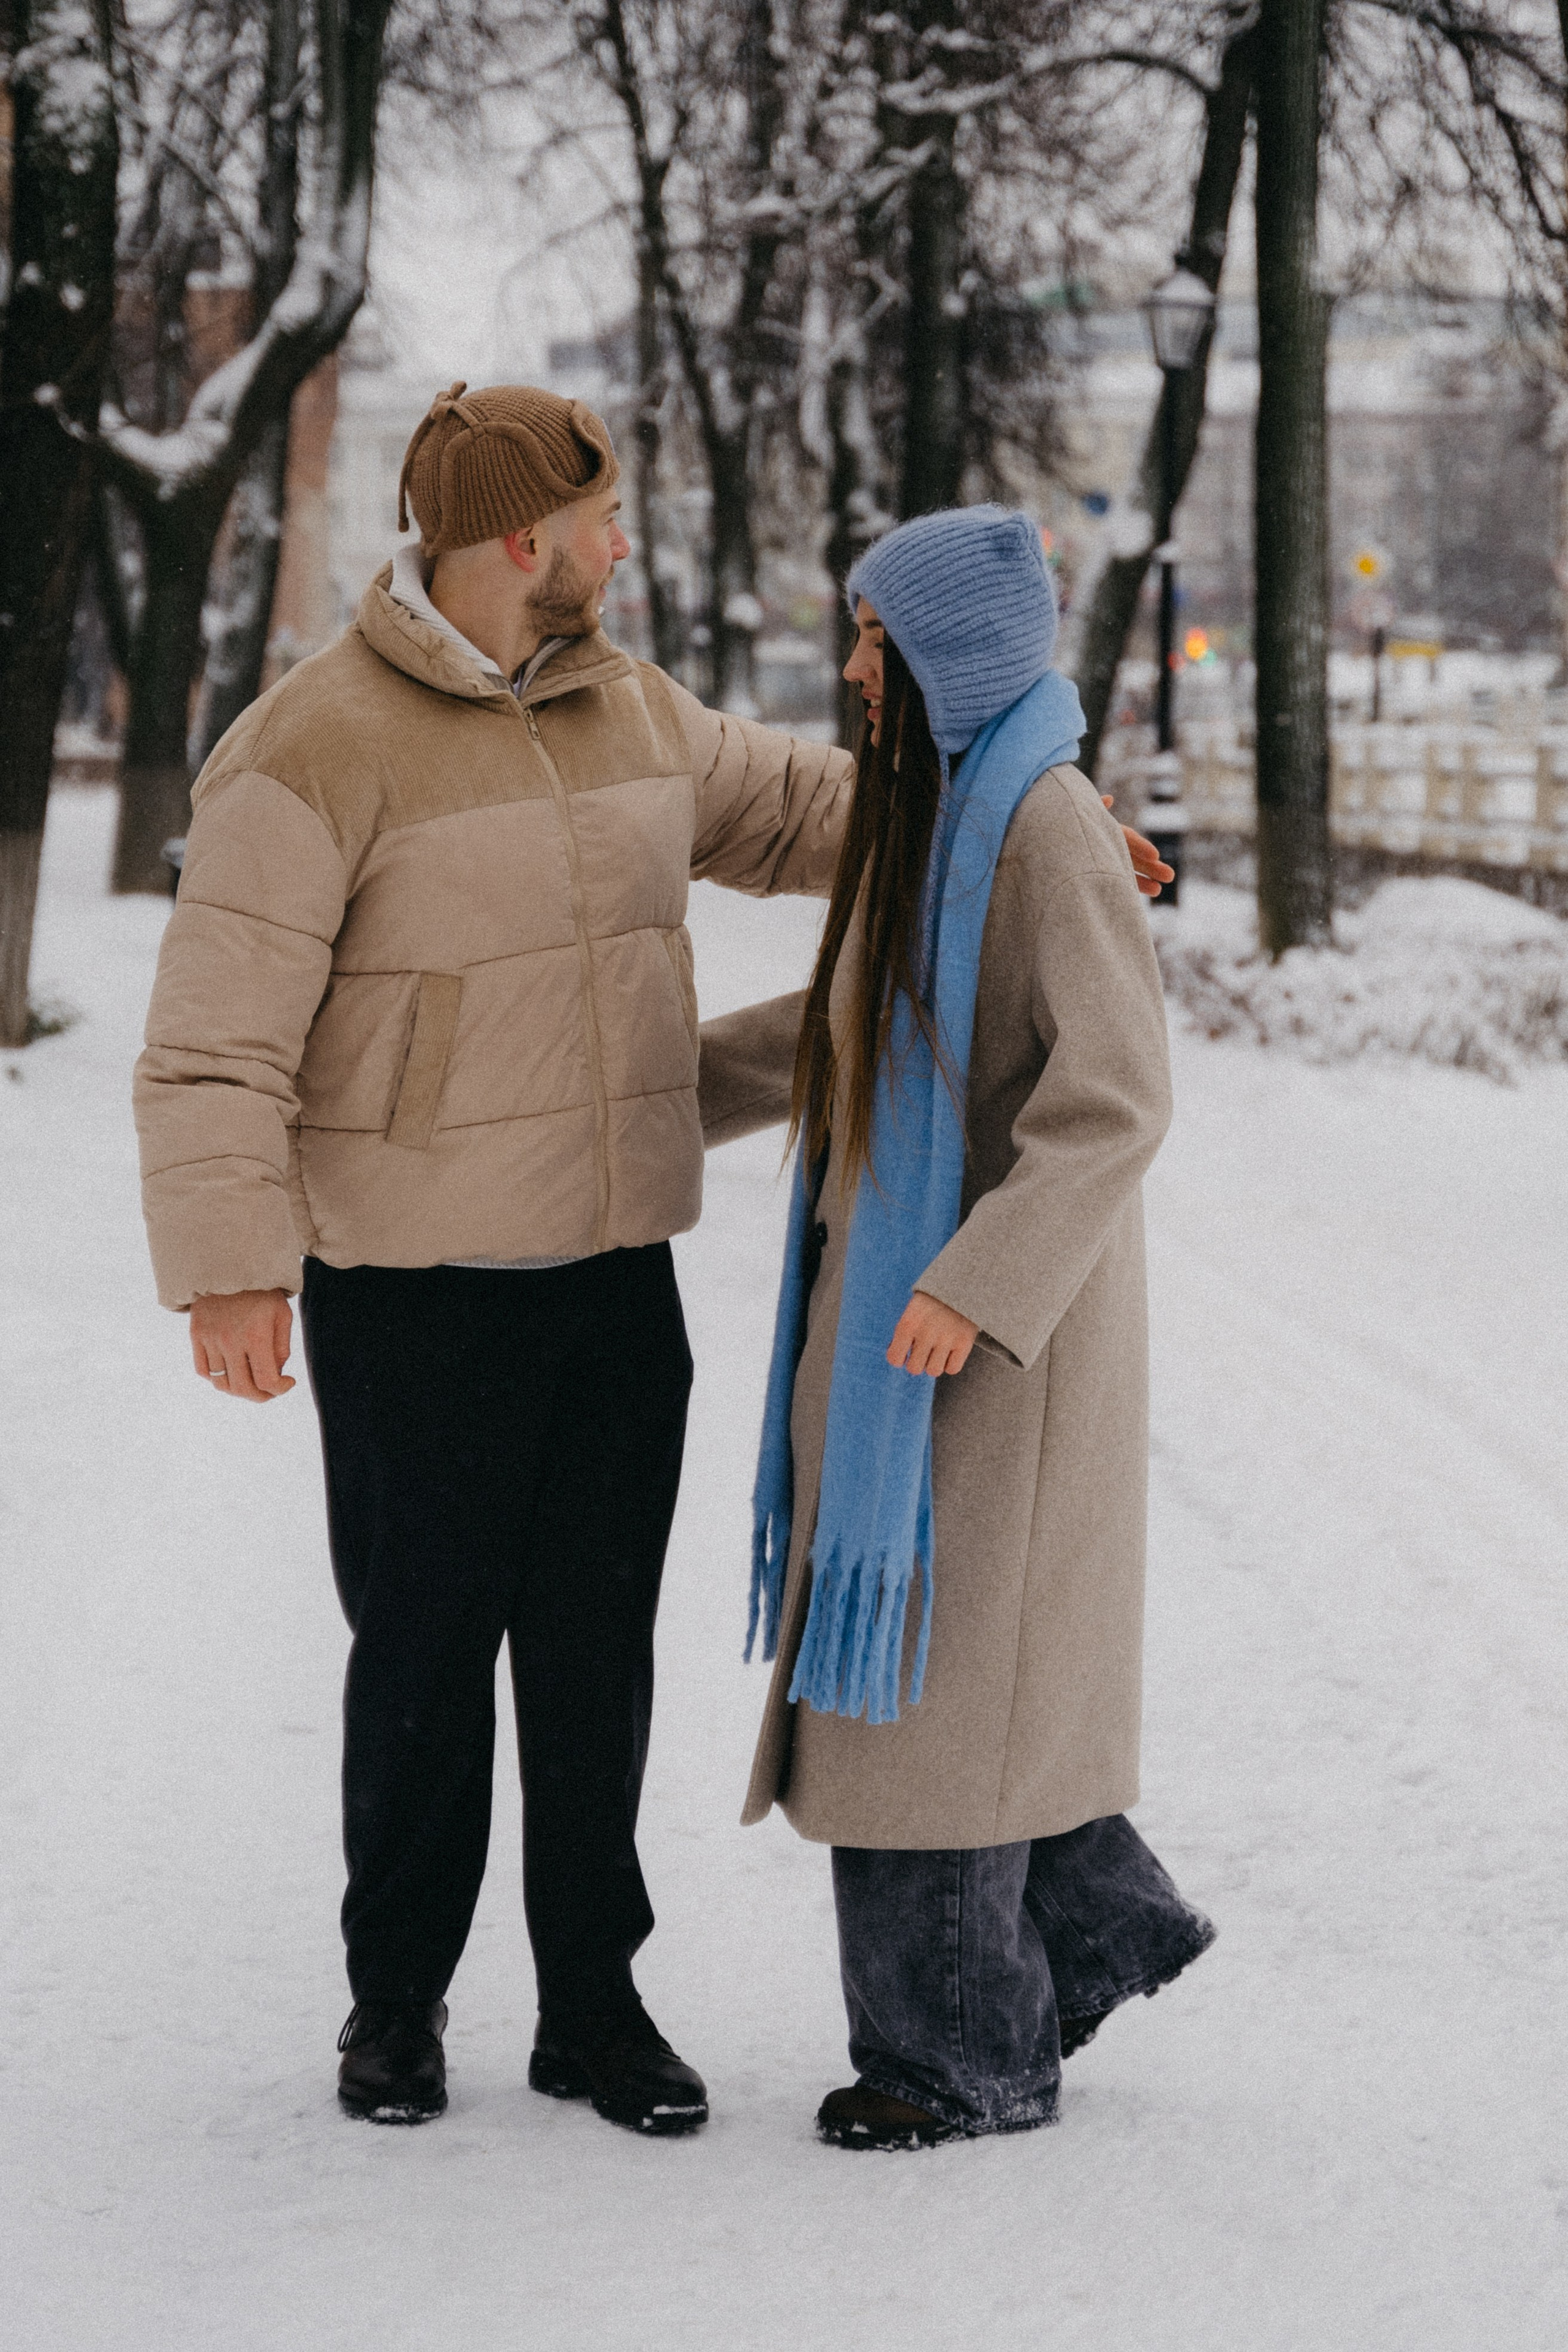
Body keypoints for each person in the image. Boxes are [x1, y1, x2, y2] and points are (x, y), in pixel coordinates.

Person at [134, 382, 1169, 2136]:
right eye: (602, 523)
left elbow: (812, 812)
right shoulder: (309, 746)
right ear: (519, 538)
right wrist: (229, 1266)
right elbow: (215, 1039)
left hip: (613, 1283)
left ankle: (593, 2005)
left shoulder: (633, 709)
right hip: (416, 1291)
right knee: (424, 1658)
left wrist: (1013, 828)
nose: (624, 548)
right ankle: (396, 2003)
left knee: (598, 1660)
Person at [706, 506, 1214, 2150]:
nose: (852, 666)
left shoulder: (1045, 827)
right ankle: (1100, 1931)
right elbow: (860, 1024)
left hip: (993, 1349)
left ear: (952, 658)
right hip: (915, 1329)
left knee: (932, 1702)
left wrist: (970, 1288)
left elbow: (1115, 1099)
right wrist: (651, 1085)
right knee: (959, 1692)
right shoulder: (941, 817)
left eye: (876, 639)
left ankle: (959, 2061)